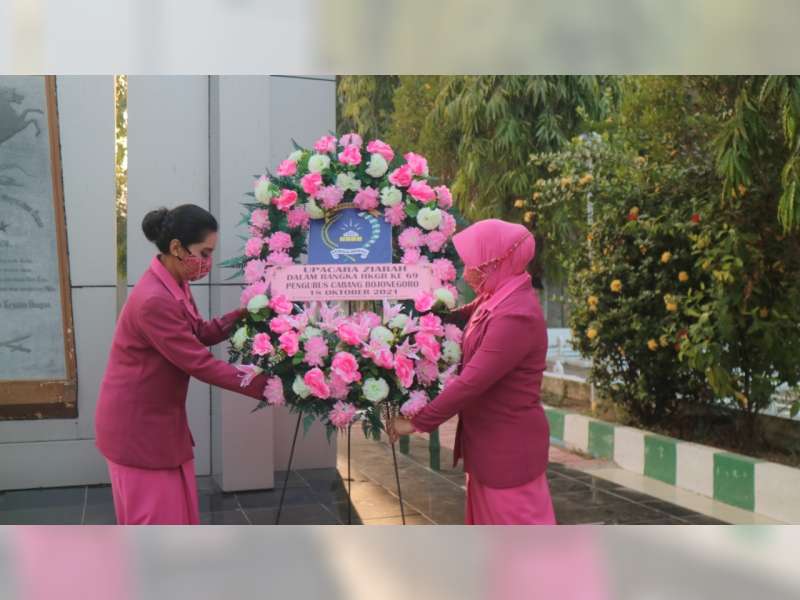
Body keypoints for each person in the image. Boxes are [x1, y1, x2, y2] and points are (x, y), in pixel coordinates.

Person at [95, 204, 266, 525]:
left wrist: (245, 313)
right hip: (138, 429)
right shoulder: (154, 299)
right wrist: (269, 386)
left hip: (159, 424)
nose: (208, 263)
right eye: (204, 252)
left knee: (177, 520)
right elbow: (199, 363)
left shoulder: (174, 283)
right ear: (176, 247)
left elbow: (198, 332)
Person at [390, 219, 556, 525]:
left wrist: (416, 423)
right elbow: (455, 320)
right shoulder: (498, 295)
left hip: (508, 450)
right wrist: (409, 322)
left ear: (498, 260)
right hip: (488, 446)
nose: (470, 269)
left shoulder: (515, 315)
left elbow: (471, 383)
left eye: (476, 261)